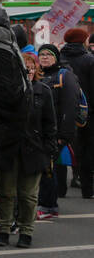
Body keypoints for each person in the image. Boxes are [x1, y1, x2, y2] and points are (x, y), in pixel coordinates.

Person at [0, 52, 55, 249]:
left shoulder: (43, 91)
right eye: (24, 67)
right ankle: (3, 229)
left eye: (30, 67)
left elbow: (50, 124)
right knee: (6, 192)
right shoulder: (7, 91)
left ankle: (26, 230)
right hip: (10, 148)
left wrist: (48, 150)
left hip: (34, 150)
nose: (27, 70)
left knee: (28, 195)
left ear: (36, 69)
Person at [35, 43, 81, 221]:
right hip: (42, 132)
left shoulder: (65, 76)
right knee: (45, 168)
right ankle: (46, 203)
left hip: (57, 133)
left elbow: (71, 107)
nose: (45, 57)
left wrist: (64, 136)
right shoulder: (40, 75)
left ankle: (48, 206)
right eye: (42, 54)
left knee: (49, 169)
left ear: (56, 57)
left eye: (48, 54)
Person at [58, 27, 94, 198]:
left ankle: (59, 189)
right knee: (87, 148)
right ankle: (87, 187)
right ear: (82, 40)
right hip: (87, 111)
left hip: (63, 110)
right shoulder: (89, 60)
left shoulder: (59, 57)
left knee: (63, 146)